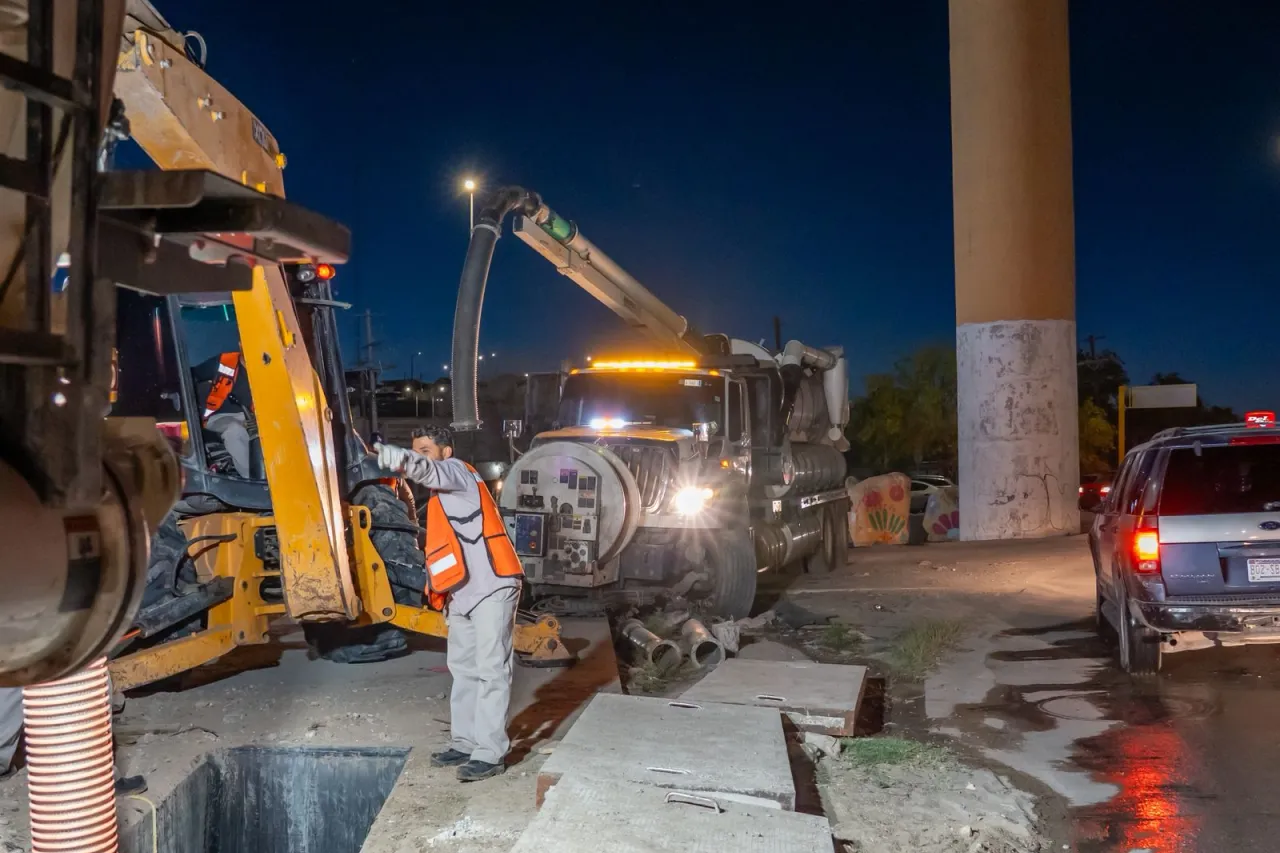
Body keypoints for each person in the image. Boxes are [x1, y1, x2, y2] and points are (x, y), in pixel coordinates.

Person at [375, 426, 523, 782]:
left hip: (492, 585)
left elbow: (431, 471)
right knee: (464, 670)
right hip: (463, 593)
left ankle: (489, 754)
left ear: (446, 452)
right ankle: (465, 742)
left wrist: (403, 459)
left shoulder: (457, 472)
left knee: (491, 672)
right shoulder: (442, 494)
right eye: (415, 450)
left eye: (426, 450)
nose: (421, 456)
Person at [192, 349, 253, 477]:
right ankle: (252, 479)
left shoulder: (266, 370)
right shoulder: (224, 362)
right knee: (234, 430)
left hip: (251, 419)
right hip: (217, 417)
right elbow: (192, 376)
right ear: (241, 345)